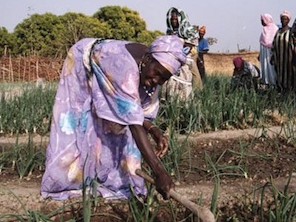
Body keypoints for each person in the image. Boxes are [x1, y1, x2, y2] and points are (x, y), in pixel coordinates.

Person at [41, 35, 187, 200]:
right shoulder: (123, 67)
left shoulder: (151, 69)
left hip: (118, 71)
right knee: (79, 122)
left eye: (163, 79)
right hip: (82, 63)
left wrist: (153, 130)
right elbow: (133, 123)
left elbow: (138, 113)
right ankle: (66, 181)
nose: (156, 80)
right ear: (147, 59)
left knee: (117, 129)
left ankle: (113, 179)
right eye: (157, 74)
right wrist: (159, 172)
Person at [166, 7, 203, 90]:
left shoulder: (187, 29)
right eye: (172, 20)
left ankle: (199, 91)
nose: (174, 21)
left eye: (175, 19)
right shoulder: (169, 31)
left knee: (194, 73)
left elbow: (191, 43)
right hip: (175, 56)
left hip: (189, 54)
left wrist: (180, 43)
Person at [271, 10, 296, 93]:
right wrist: (273, 57)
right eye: (282, 19)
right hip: (279, 60)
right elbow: (274, 45)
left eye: (285, 19)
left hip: (289, 59)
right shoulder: (277, 32)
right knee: (280, 75)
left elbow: (295, 45)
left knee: (290, 76)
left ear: (288, 20)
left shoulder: (291, 32)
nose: (283, 21)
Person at [258, 14, 278, 87]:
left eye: (262, 20)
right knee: (264, 66)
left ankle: (273, 83)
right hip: (264, 53)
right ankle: (266, 82)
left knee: (271, 67)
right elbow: (262, 43)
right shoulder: (264, 30)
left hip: (271, 52)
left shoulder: (275, 29)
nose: (261, 22)